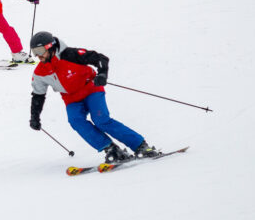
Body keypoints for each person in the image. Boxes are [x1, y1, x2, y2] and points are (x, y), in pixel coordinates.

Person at [27, 31, 161, 163]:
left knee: (101, 120)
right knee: (76, 121)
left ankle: (140, 146)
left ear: (50, 47)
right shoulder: (40, 73)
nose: (38, 55)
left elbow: (100, 59)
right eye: (34, 52)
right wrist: (34, 116)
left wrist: (102, 74)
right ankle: (111, 149)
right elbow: (38, 95)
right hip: (71, 98)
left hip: (91, 89)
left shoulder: (70, 54)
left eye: (40, 51)